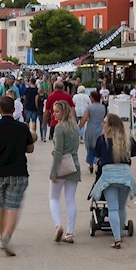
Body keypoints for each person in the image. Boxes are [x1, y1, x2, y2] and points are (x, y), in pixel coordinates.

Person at [0, 95, 34, 256]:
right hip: (18, 171)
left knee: (0, 204)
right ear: (14, 109)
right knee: (13, 205)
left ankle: (1, 234)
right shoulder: (22, 127)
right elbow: (30, 149)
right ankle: (6, 237)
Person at [92, 113, 136, 249]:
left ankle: (117, 238)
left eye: (105, 122)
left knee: (112, 208)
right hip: (125, 175)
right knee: (121, 206)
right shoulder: (127, 140)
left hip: (109, 176)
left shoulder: (102, 140)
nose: (103, 124)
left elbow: (96, 154)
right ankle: (119, 231)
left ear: (110, 126)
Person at [48, 100, 82, 244]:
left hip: (62, 165)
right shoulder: (74, 126)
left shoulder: (59, 128)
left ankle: (58, 225)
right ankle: (69, 232)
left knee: (54, 198)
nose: (54, 114)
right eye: (53, 111)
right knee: (70, 200)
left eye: (57, 112)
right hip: (74, 164)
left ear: (64, 112)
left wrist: (53, 171)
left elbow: (59, 152)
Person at [79, 90, 107, 174]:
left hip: (91, 129)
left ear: (93, 98)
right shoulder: (103, 107)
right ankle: (97, 162)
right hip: (100, 129)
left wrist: (79, 126)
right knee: (98, 147)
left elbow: (84, 119)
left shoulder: (89, 108)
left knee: (90, 147)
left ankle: (90, 164)